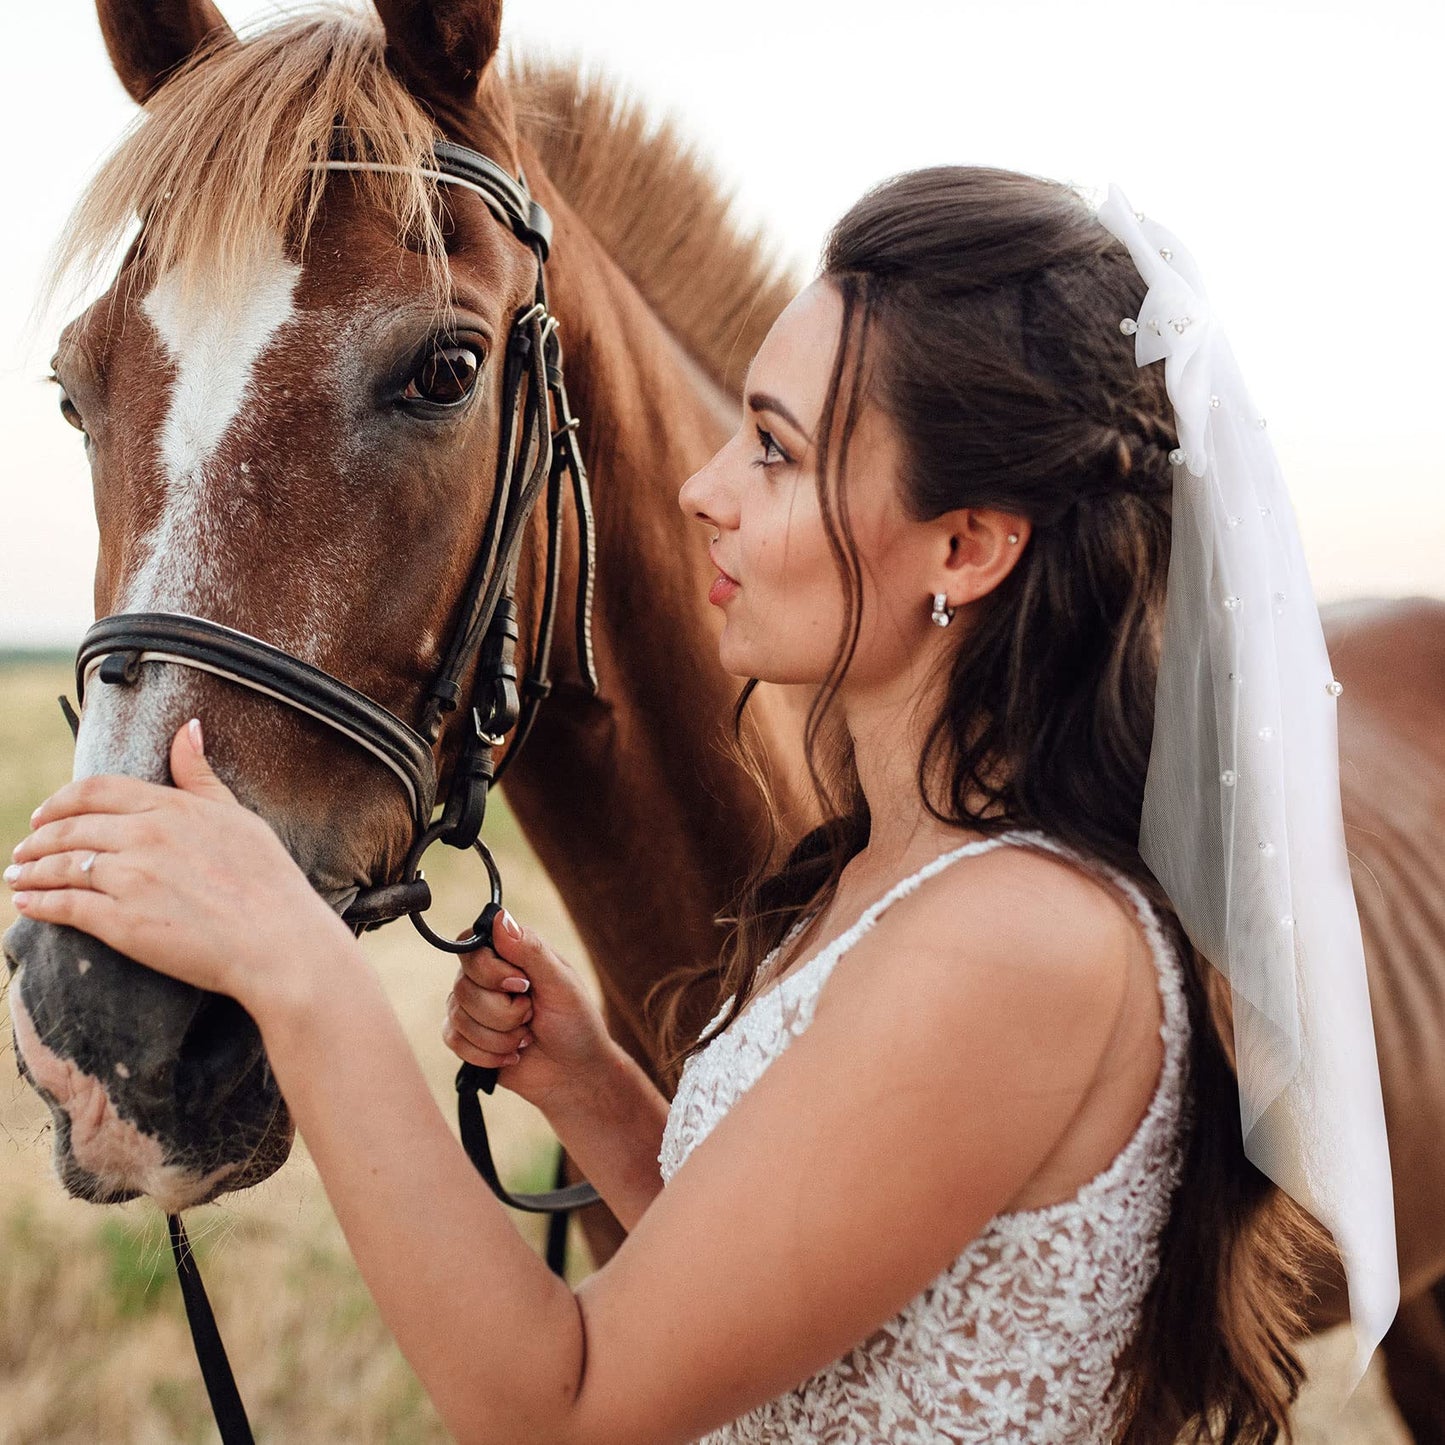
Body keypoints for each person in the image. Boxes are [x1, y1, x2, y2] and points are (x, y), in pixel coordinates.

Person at [4, 166, 1371, 1443]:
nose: (702, 490)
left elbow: (569, 1401)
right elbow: (805, 1297)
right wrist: (598, 1093)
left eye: (772, 451)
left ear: (963, 545)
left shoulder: (1018, 942)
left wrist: (297, 966)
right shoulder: (899, 875)